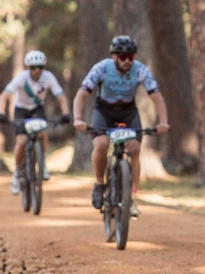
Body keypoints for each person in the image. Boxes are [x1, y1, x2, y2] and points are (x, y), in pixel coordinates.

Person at [72, 35, 169, 216]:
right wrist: (77, 118)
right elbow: (81, 94)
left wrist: (163, 122)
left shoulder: (140, 70)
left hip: (127, 111)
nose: (127, 61)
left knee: (135, 149)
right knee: (101, 145)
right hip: (104, 111)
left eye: (130, 57)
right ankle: (100, 184)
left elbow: (157, 97)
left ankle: (131, 199)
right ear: (114, 57)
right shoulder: (101, 68)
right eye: (122, 57)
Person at [0, 50, 70, 195]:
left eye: (40, 67)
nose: (37, 70)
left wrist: (66, 113)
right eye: (33, 67)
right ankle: (17, 173)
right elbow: (4, 96)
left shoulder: (48, 77)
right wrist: (1, 113)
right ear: (28, 67)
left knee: (42, 132)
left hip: (37, 109)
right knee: (22, 141)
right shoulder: (22, 78)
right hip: (21, 110)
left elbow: (61, 97)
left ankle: (42, 165)